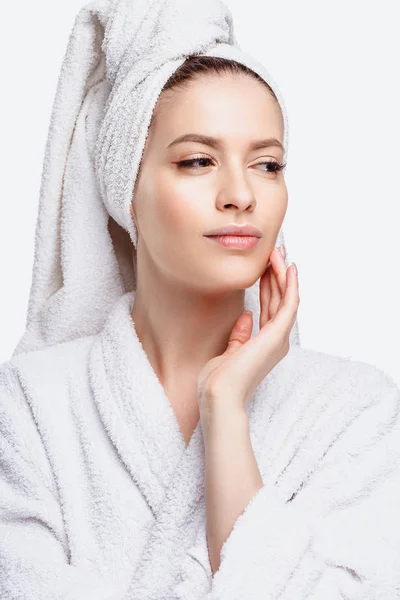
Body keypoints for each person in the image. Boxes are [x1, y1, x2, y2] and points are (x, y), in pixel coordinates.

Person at [1, 0, 399, 598]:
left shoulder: (354, 412)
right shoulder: (28, 408)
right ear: (125, 188)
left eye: (267, 163)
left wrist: (227, 408)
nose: (241, 193)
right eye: (197, 160)